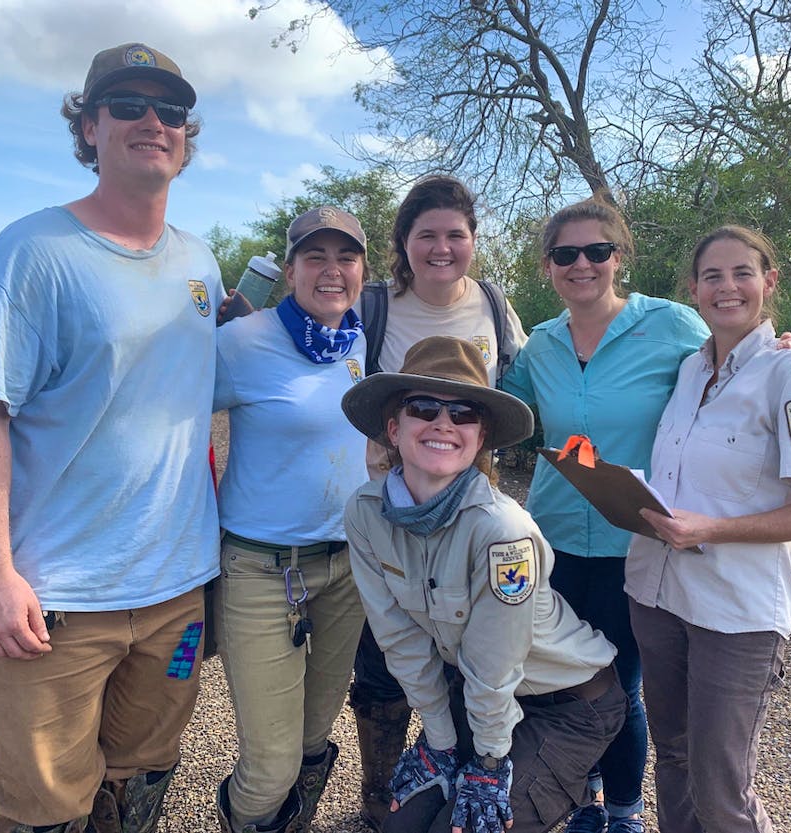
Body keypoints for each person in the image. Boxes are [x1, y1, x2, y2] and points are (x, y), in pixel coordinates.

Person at [0, 43, 221, 833]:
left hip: (175, 594)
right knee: (42, 811)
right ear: (89, 127)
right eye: (126, 105)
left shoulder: (201, 264)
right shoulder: (30, 254)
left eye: (169, 109)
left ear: (186, 136)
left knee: (141, 783)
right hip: (56, 602)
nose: (151, 122)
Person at [501, 199, 791, 833]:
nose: (583, 264)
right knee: (563, 684)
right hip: (555, 540)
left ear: (620, 258)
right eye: (566, 254)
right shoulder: (541, 345)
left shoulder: (671, 325)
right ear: (548, 267)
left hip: (640, 545)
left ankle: (624, 809)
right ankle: (577, 800)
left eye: (598, 251)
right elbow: (501, 412)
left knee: (621, 687)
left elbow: (740, 357)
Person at [341, 336, 627, 833]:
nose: (443, 424)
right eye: (423, 407)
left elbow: (496, 663)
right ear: (393, 427)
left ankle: (571, 790)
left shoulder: (502, 532)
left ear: (480, 438)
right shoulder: (366, 514)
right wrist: (441, 742)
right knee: (400, 828)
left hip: (566, 704)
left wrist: (489, 763)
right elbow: (400, 639)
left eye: (464, 413)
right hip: (479, 694)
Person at [625, 226, 791, 833]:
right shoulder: (690, 372)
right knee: (671, 758)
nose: (727, 288)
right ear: (693, 290)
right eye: (712, 276)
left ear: (769, 282)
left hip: (736, 613)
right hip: (657, 595)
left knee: (723, 790)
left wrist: (713, 529)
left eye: (742, 273)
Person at [350, 175, 528, 832]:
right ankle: (381, 787)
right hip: (391, 513)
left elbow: (538, 377)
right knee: (384, 652)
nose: (442, 247)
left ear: (474, 241)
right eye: (427, 234)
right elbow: (302, 334)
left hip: (470, 513)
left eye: (456, 234)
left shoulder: (493, 306)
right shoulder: (374, 306)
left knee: (467, 645)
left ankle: (466, 761)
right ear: (404, 241)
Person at [212, 206, 370, 833]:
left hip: (344, 568)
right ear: (289, 269)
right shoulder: (242, 342)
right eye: (315, 257)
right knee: (272, 762)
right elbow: (162, 416)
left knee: (311, 740)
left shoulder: (358, 340)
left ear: (362, 270)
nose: (331, 271)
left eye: (346, 257)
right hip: (259, 569)